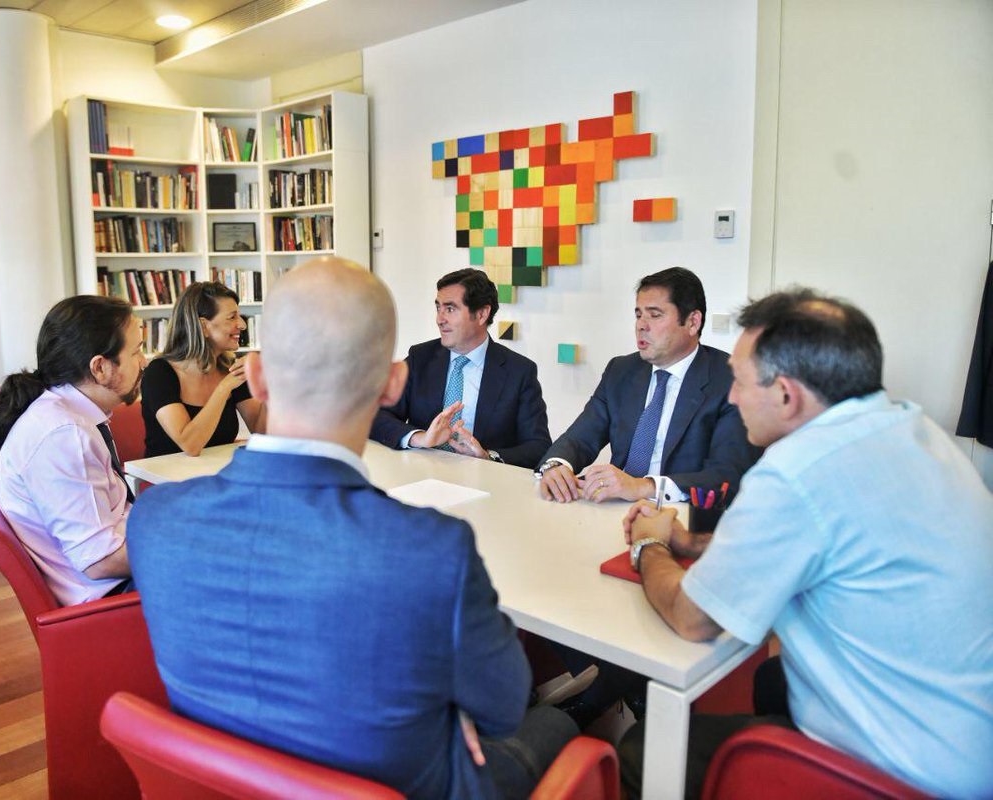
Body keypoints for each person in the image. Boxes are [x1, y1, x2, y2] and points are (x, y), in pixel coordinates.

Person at [129, 257, 579, 799]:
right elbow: (504, 706)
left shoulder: (153, 520)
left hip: (219, 783)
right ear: (394, 385)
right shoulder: (434, 549)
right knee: (557, 725)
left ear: (256, 375)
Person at [619, 288, 993, 799]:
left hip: (907, 774)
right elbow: (826, 541)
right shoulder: (909, 428)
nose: (731, 398)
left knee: (644, 747)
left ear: (787, 395)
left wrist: (650, 546)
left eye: (741, 383)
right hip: (969, 735)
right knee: (772, 681)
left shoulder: (796, 472)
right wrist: (694, 539)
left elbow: (694, 617)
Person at [537, 267, 757, 505]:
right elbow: (579, 438)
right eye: (638, 315)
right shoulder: (621, 371)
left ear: (693, 322)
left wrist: (645, 487)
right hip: (613, 507)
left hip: (679, 515)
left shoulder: (730, 379)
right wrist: (556, 465)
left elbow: (728, 475)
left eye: (654, 315)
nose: (641, 325)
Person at [0, 295, 145, 606]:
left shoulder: (69, 414)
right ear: (100, 368)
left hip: (118, 571)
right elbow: (101, 561)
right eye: (136, 352)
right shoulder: (64, 435)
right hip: (113, 597)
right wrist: (185, 546)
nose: (145, 362)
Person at [370, 268, 550, 468]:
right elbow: (376, 414)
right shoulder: (420, 358)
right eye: (438, 308)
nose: (440, 319)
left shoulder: (519, 371)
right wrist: (420, 438)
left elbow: (538, 446)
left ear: (481, 314)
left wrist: (488, 457)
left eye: (450, 309)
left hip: (485, 484)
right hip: (421, 477)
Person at [141, 281, 265, 457]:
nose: (243, 325)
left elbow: (262, 432)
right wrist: (224, 387)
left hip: (218, 474)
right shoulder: (159, 373)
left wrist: (266, 385)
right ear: (203, 326)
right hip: (167, 479)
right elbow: (191, 445)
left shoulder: (230, 368)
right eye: (232, 317)